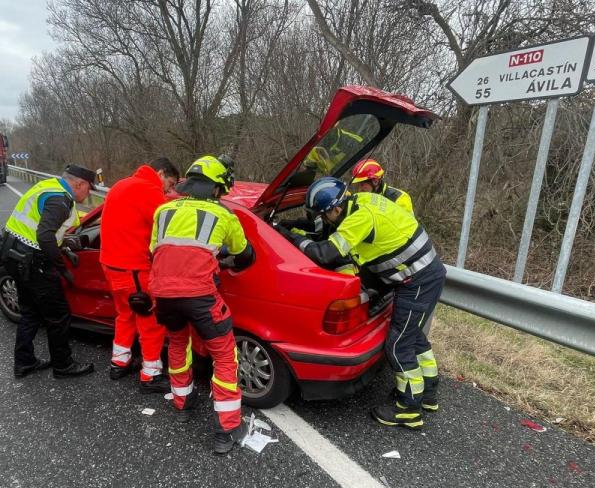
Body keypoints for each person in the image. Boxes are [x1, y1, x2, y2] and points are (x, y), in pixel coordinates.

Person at [275, 177, 445, 429]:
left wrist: (288, 237)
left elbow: (324, 254)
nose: (325, 220)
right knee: (413, 336)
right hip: (424, 272)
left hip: (417, 280)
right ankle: (427, 393)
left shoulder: (359, 219)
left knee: (398, 344)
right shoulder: (363, 200)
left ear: (335, 209)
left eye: (324, 215)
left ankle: (408, 408)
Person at [149, 155, 255, 454]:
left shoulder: (164, 210)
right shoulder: (223, 215)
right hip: (199, 296)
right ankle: (228, 428)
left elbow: (155, 252)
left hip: (163, 295)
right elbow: (244, 254)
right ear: (216, 188)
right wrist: (220, 257)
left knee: (178, 343)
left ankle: (182, 399)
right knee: (224, 356)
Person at [0, 163, 97, 379]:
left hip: (13, 255)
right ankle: (63, 365)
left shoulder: (47, 186)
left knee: (30, 312)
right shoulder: (60, 199)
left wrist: (62, 247)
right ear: (79, 183)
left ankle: (24, 362)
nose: (88, 194)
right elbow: (44, 236)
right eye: (89, 189)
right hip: (33, 261)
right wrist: (61, 268)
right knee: (58, 314)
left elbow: (40, 228)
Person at [99, 158, 180, 393]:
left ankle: (119, 362)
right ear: (160, 173)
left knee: (125, 314)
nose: (169, 190)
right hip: (134, 268)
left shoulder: (121, 185)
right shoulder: (149, 190)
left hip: (111, 265)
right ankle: (151, 375)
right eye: (170, 182)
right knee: (150, 321)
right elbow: (168, 227)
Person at [349, 158, 414, 214]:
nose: (359, 189)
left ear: (375, 181)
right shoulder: (361, 198)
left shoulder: (399, 198)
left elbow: (406, 225)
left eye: (362, 184)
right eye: (358, 185)